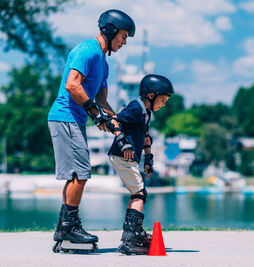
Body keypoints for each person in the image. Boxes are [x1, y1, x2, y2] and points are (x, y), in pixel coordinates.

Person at [47, 9, 135, 253]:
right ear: (111, 30)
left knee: (77, 173)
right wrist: (95, 114)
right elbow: (72, 84)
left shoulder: (103, 64)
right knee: (80, 173)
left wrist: (118, 122)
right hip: (65, 116)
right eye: (124, 36)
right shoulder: (87, 50)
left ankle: (64, 228)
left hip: (74, 119)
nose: (125, 42)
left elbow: (102, 102)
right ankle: (69, 228)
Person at [106, 74, 174, 255]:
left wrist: (149, 159)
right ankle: (132, 239)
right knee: (140, 193)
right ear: (151, 95)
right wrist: (123, 142)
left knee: (136, 192)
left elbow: (146, 137)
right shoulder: (135, 107)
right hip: (122, 155)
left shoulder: (146, 112)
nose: (164, 104)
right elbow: (113, 121)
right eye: (163, 100)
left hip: (129, 158)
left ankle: (131, 235)